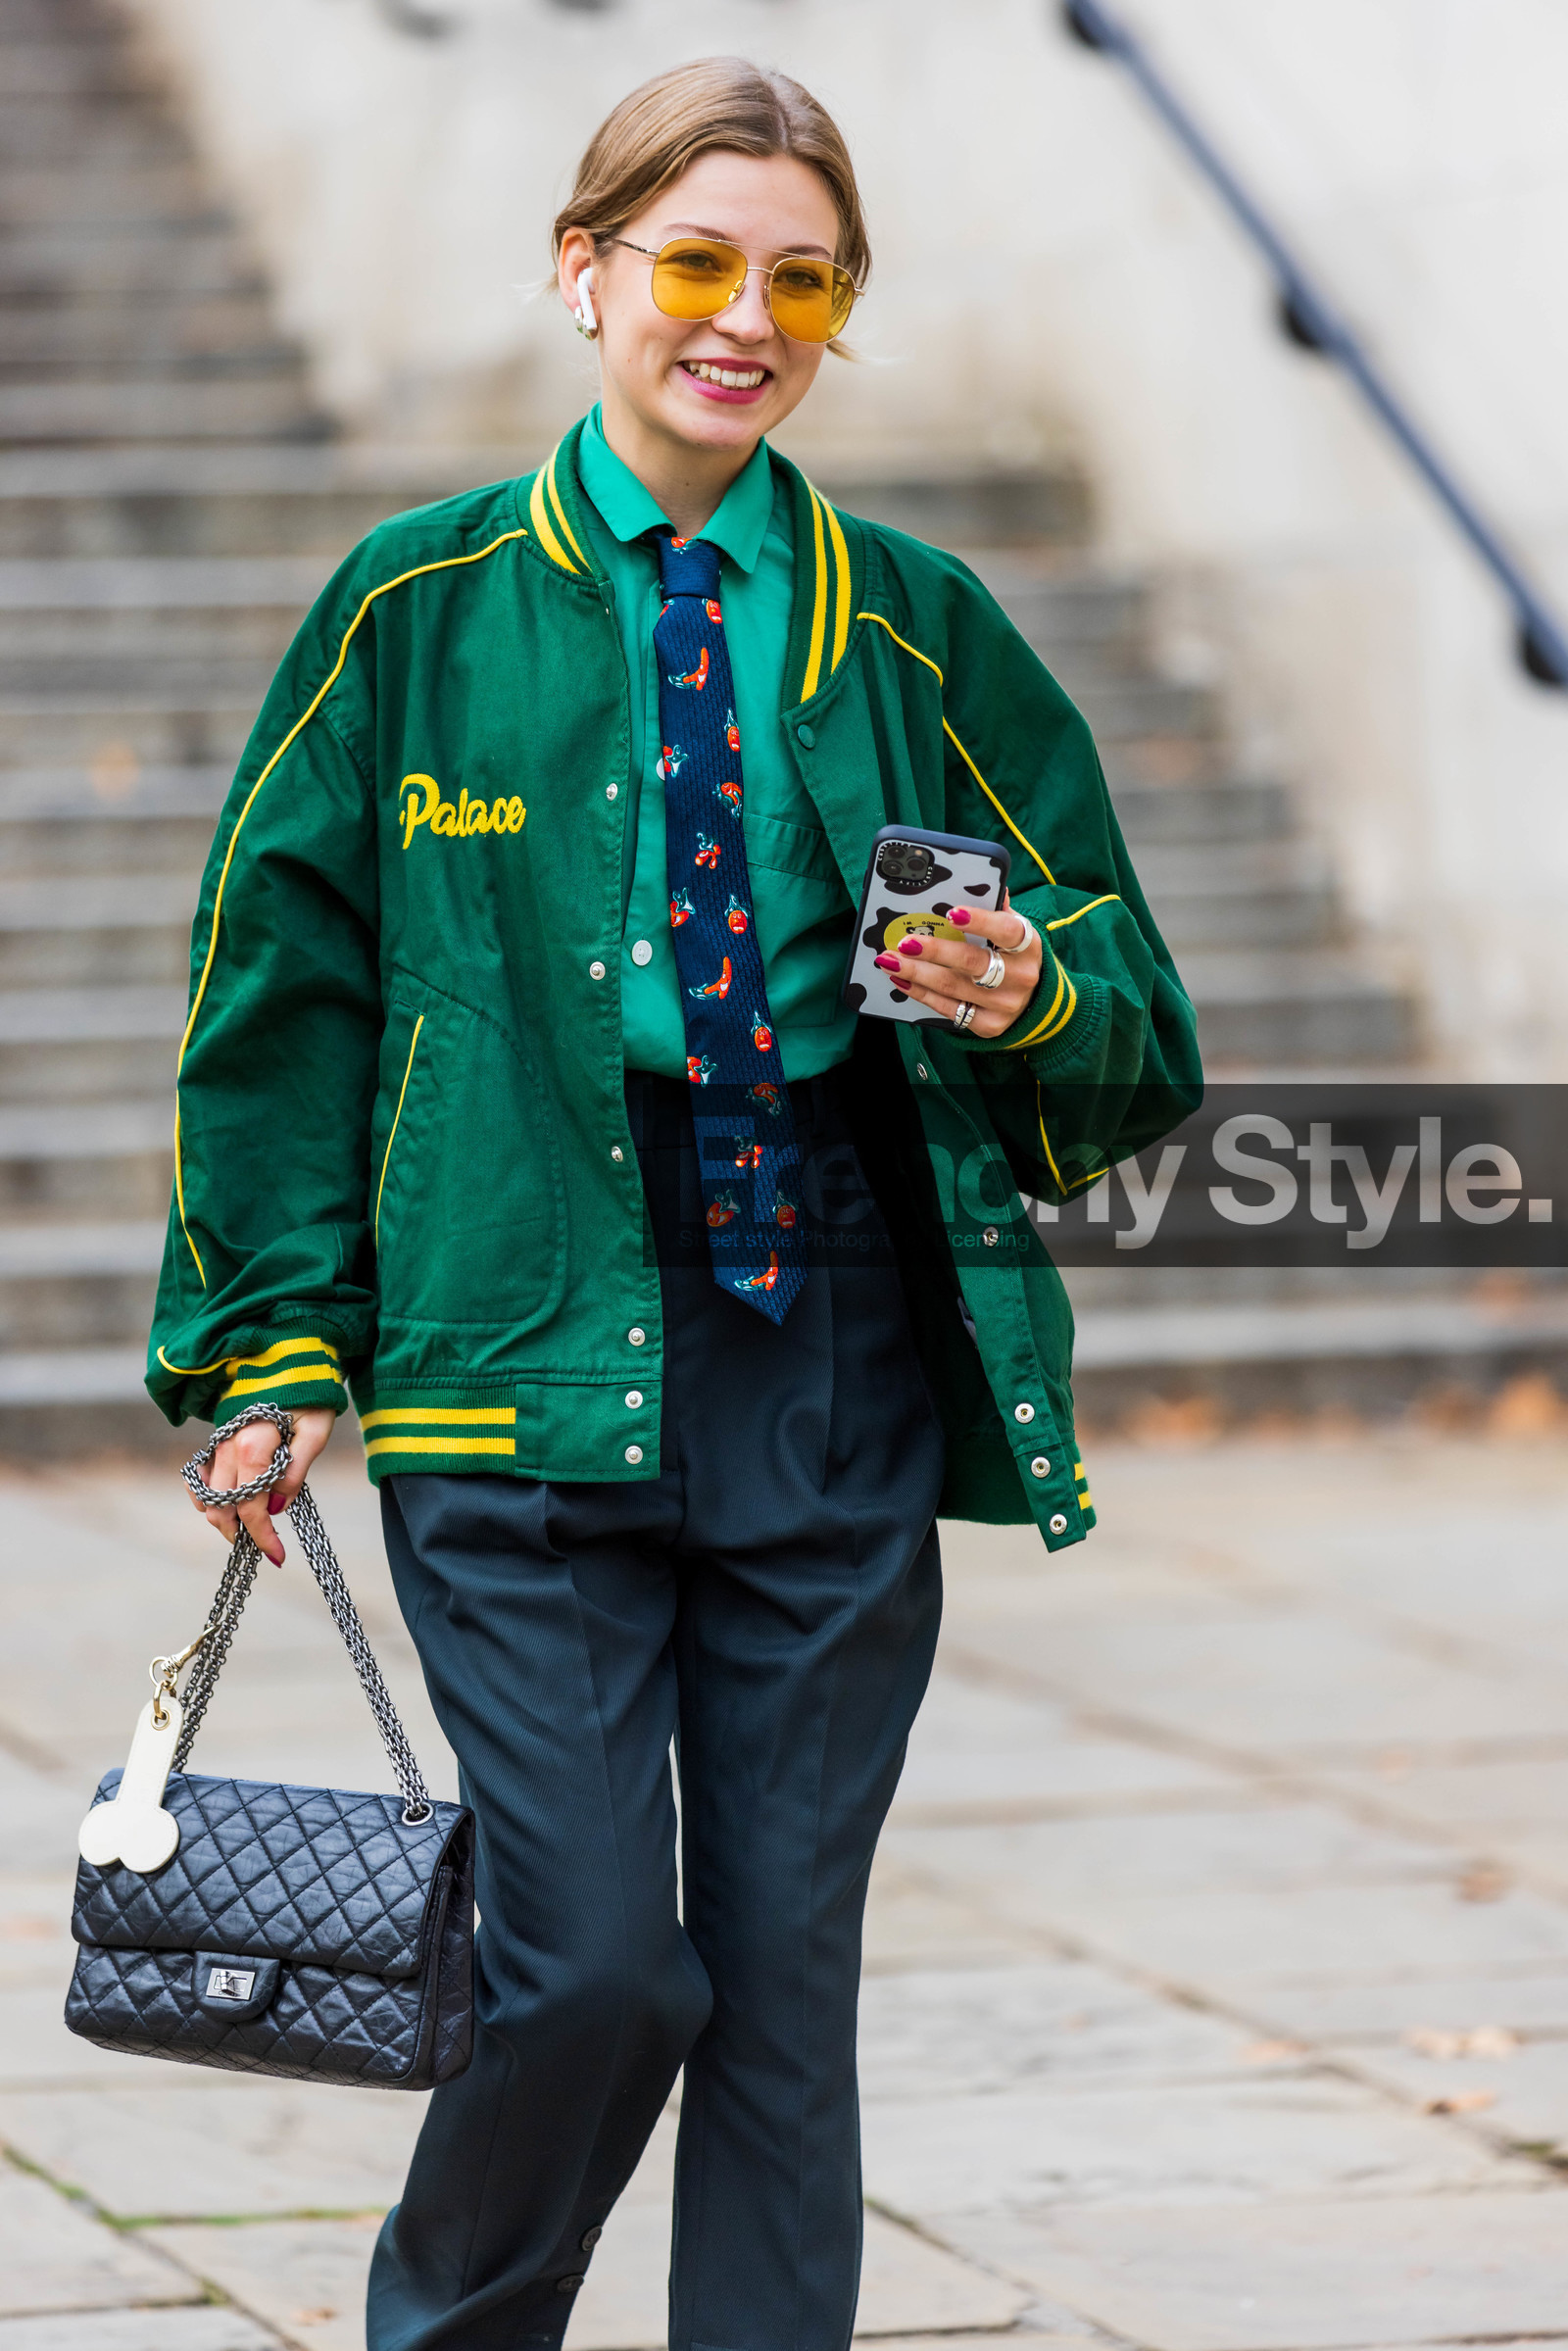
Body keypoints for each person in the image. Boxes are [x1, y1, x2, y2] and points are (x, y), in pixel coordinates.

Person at [146, 55, 1200, 2351]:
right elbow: (280, 997)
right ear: (583, 267)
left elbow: (1136, 1022)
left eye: (800, 280)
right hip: (507, 1339)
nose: (745, 318)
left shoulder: (917, 623)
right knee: (598, 1959)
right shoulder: (411, 608)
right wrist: (263, 1352)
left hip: (817, 1349)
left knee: (785, 1991)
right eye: (698, 261)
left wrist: (1022, 983)